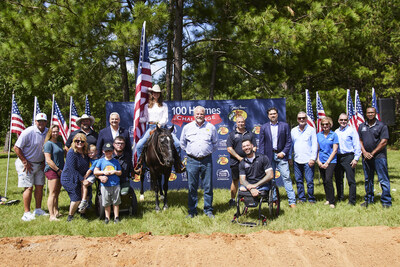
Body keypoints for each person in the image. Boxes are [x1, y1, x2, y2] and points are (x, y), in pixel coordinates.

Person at [135, 84, 184, 174]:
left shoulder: (164, 105)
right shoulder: (147, 106)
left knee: (177, 144)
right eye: (154, 93)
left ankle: (178, 165)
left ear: (160, 94)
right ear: (152, 94)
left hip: (163, 128)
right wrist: (138, 119)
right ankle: (141, 165)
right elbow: (146, 118)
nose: (156, 94)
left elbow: (165, 118)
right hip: (151, 127)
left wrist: (160, 124)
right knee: (139, 145)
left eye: (158, 93)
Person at [180, 106, 218, 218]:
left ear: (204, 115)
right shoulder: (187, 127)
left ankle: (208, 210)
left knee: (208, 187)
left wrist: (207, 151)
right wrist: (190, 152)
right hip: (192, 160)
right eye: (197, 114)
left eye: (201, 114)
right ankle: (192, 211)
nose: (199, 116)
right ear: (194, 115)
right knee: (192, 187)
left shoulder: (211, 127)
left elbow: (215, 143)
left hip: (207, 160)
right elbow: (182, 143)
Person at [259, 107, 296, 208]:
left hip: (281, 156)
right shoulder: (264, 127)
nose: (273, 115)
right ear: (268, 116)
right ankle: (274, 199)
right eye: (271, 114)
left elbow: (289, 142)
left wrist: (283, 153)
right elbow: (261, 144)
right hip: (268, 157)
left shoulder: (284, 126)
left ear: (277, 114)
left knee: (287, 178)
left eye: (274, 113)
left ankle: (292, 202)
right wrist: (263, 157)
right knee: (271, 179)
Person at [14, 113, 49, 221]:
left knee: (39, 186)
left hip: (39, 164)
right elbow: (16, 147)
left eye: (43, 121)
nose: (41, 123)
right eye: (39, 121)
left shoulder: (48, 132)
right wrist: (24, 161)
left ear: (46, 122)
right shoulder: (28, 132)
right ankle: (26, 213)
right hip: (26, 164)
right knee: (28, 187)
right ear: (35, 121)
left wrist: (44, 161)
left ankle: (38, 209)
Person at [358, 107, 392, 208]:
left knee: (383, 179)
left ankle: (386, 201)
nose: (370, 114)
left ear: (375, 113)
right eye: (368, 113)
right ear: (366, 114)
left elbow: (384, 142)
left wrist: (372, 153)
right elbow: (359, 140)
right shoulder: (361, 126)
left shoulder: (382, 125)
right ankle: (369, 200)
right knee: (368, 179)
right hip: (366, 158)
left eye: (372, 112)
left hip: (379, 157)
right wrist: (364, 152)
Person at [226, 116, 257, 207]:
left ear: (245, 123)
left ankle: (248, 199)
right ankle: (232, 200)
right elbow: (229, 148)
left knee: (248, 180)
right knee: (235, 180)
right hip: (235, 162)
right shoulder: (232, 134)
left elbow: (254, 146)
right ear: (236, 123)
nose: (241, 124)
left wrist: (249, 157)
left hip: (249, 162)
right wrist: (239, 158)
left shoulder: (250, 134)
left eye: (242, 122)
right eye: (239, 122)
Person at [290, 111, 318, 204]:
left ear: (306, 119)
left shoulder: (311, 130)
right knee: (298, 180)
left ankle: (311, 199)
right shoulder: (293, 130)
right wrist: (290, 157)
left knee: (309, 181)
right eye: (299, 118)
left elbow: (314, 145)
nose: (301, 120)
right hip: (297, 159)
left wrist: (313, 158)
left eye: (303, 118)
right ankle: (301, 198)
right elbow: (291, 145)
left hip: (308, 160)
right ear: (297, 119)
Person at [61, 133, 89, 222]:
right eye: (77, 141)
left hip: (81, 177)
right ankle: (70, 216)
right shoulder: (71, 153)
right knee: (76, 198)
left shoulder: (85, 153)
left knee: (86, 195)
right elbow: (72, 169)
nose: (79, 142)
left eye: (82, 141)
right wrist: (82, 180)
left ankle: (82, 214)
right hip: (70, 178)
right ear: (74, 142)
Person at [334, 113, 361, 205]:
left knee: (351, 180)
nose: (343, 122)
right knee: (338, 179)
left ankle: (352, 200)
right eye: (341, 120)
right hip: (338, 157)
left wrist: (356, 158)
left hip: (349, 156)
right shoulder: (336, 132)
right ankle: (340, 197)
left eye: (345, 120)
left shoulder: (351, 131)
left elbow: (357, 145)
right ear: (338, 120)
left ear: (348, 121)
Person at [94, 142, 122, 224]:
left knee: (116, 202)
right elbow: (95, 171)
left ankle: (116, 217)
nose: (108, 153)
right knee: (106, 202)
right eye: (106, 151)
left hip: (115, 184)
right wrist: (103, 172)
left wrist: (115, 171)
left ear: (113, 151)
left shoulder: (115, 161)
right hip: (105, 185)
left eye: (110, 151)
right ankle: (107, 218)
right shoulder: (101, 161)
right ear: (103, 151)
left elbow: (120, 172)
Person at [43, 125, 65, 221]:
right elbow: (48, 160)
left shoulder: (59, 144)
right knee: (52, 193)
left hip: (60, 170)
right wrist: (57, 170)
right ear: (50, 133)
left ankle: (56, 212)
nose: (55, 133)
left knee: (57, 193)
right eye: (53, 131)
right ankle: (51, 215)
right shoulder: (48, 144)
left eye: (57, 131)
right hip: (52, 170)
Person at [316, 117, 339, 208]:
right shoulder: (318, 135)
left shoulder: (334, 135)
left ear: (330, 125)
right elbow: (317, 149)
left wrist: (327, 162)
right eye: (323, 124)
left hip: (331, 161)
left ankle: (332, 201)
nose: (325, 126)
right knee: (325, 181)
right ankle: (328, 198)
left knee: (329, 179)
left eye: (327, 124)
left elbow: (335, 150)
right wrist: (318, 161)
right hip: (321, 161)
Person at [77, 144, 99, 212]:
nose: (90, 154)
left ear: (96, 152)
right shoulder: (89, 158)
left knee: (85, 184)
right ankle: (85, 202)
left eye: (92, 153)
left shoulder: (96, 161)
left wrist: (84, 177)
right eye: (89, 153)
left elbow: (90, 170)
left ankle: (84, 201)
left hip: (92, 175)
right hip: (87, 175)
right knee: (83, 186)